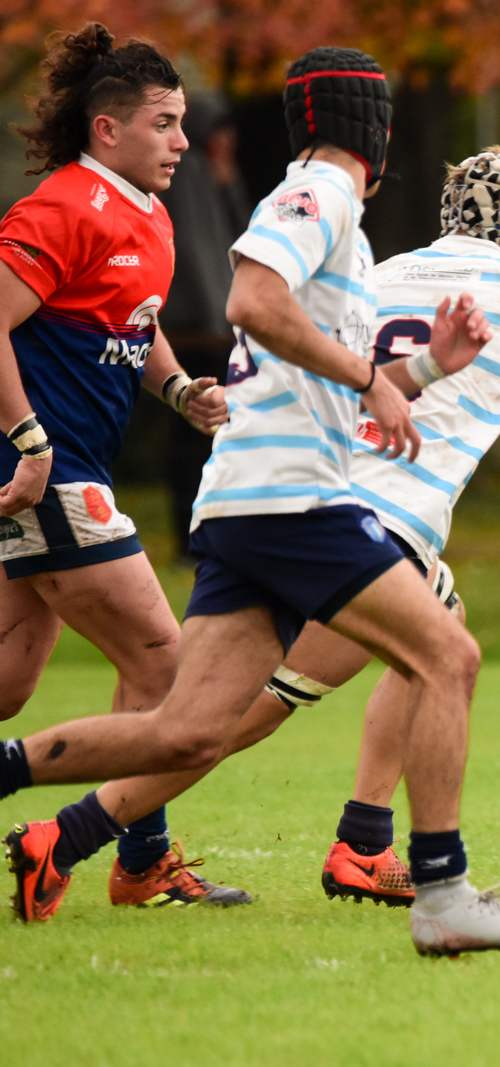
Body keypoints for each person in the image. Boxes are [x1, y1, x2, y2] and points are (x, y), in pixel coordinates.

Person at [27, 146, 500, 911]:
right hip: (364, 529)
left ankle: (360, 843)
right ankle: (70, 834)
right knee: (229, 719)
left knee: (428, 632)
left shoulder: (374, 272)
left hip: (286, 497)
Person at [0, 46, 500, 959]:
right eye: (168, 122)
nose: (184, 138)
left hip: (249, 496)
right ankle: (441, 889)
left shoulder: (315, 209)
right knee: (445, 655)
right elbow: (254, 303)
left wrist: (415, 372)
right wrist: (374, 381)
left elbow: (300, 352)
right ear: (368, 129)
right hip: (293, 499)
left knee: (187, 726)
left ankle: (56, 827)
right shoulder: (321, 196)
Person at [0, 24, 244, 911]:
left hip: (62, 473)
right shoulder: (63, 207)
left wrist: (179, 389)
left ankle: (140, 862)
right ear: (109, 130)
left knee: (9, 685)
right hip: (51, 474)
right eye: (165, 123)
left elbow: (130, 322)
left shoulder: (147, 212)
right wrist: (29, 438)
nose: (183, 141)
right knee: (170, 674)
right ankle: (140, 862)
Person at [160, 91, 250, 560]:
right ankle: (191, 537)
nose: (228, 141)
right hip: (197, 326)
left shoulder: (211, 176)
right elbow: (197, 253)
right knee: (196, 434)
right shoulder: (188, 175)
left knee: (203, 433)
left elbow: (236, 240)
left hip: (211, 322)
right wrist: (218, 316)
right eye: (221, 132)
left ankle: (203, 535)